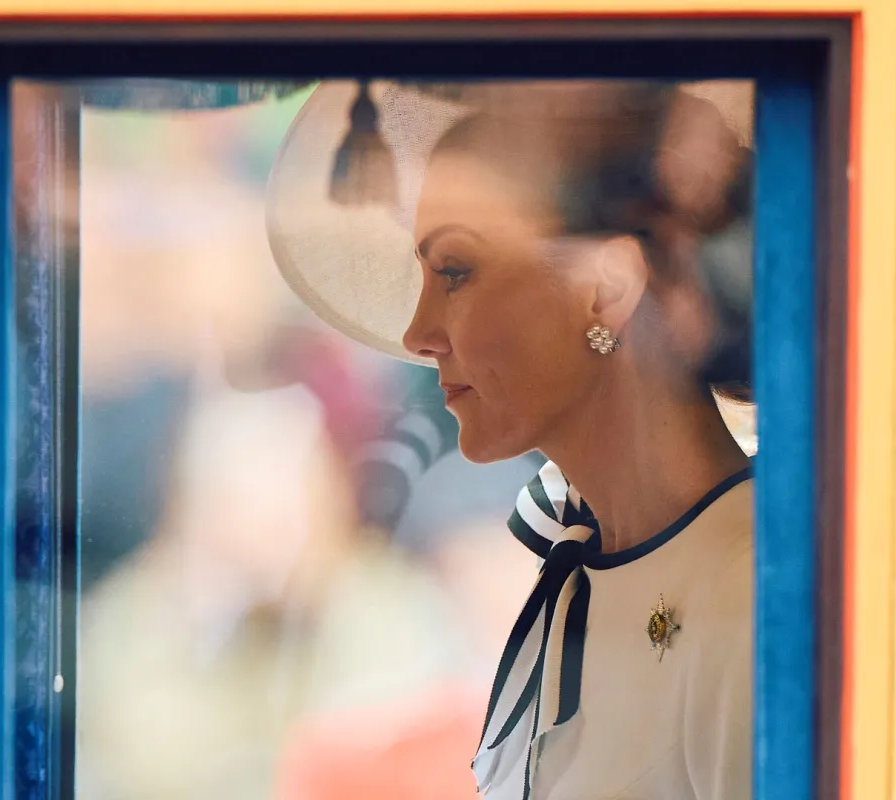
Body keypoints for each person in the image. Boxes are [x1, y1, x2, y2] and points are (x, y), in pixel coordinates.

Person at [266, 79, 756, 799]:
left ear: (605, 288)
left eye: (456, 270)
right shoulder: (577, 572)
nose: (418, 333)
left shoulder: (747, 597)